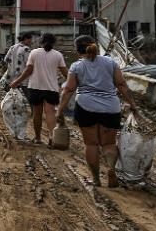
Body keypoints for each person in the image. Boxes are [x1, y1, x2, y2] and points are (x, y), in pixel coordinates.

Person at [58, 35, 138, 187]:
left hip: (86, 108)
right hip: (111, 108)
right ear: (94, 45)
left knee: (91, 144)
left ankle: (96, 179)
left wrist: (60, 110)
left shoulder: (76, 66)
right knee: (109, 144)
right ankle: (111, 169)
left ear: (77, 50)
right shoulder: (111, 62)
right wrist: (132, 104)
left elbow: (68, 89)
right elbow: (121, 84)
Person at [10, 33, 67, 144]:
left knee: (37, 114)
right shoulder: (58, 55)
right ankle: (51, 138)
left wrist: (16, 81)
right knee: (50, 113)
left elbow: (28, 70)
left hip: (35, 88)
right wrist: (72, 84)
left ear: (41, 41)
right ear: (53, 43)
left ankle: (37, 138)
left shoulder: (34, 53)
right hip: (51, 89)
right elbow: (66, 73)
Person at [2, 32, 34, 96]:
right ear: (25, 39)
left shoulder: (12, 47)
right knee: (28, 96)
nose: (31, 41)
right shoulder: (26, 49)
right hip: (22, 77)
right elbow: (29, 64)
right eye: (30, 40)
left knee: (12, 96)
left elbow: (5, 60)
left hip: (11, 76)